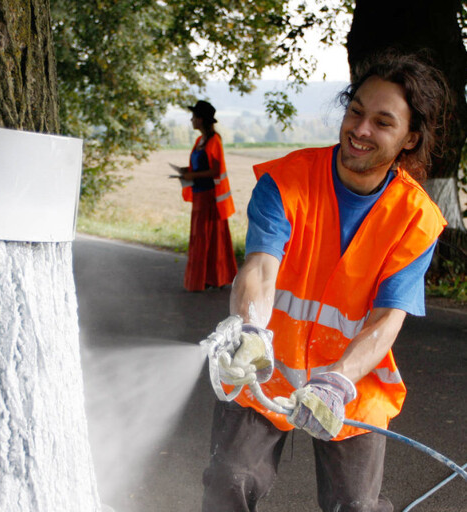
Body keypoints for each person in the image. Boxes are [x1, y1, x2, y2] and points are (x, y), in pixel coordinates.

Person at [201, 52, 452, 512]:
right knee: (227, 481)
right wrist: (251, 330)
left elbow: (386, 319)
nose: (360, 129)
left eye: (382, 122)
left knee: (355, 506)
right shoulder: (285, 181)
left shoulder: (417, 220)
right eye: (356, 111)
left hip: (350, 383)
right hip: (266, 367)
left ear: (410, 138)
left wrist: (336, 382)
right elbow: (258, 267)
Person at [174, 100, 238, 292]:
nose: (191, 120)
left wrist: (191, 175)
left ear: (201, 120)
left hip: (210, 198)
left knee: (209, 238)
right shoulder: (200, 141)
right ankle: (206, 279)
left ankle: (212, 278)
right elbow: (200, 166)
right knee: (201, 237)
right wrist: (186, 171)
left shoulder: (213, 141)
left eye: (194, 117)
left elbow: (215, 171)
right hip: (199, 195)